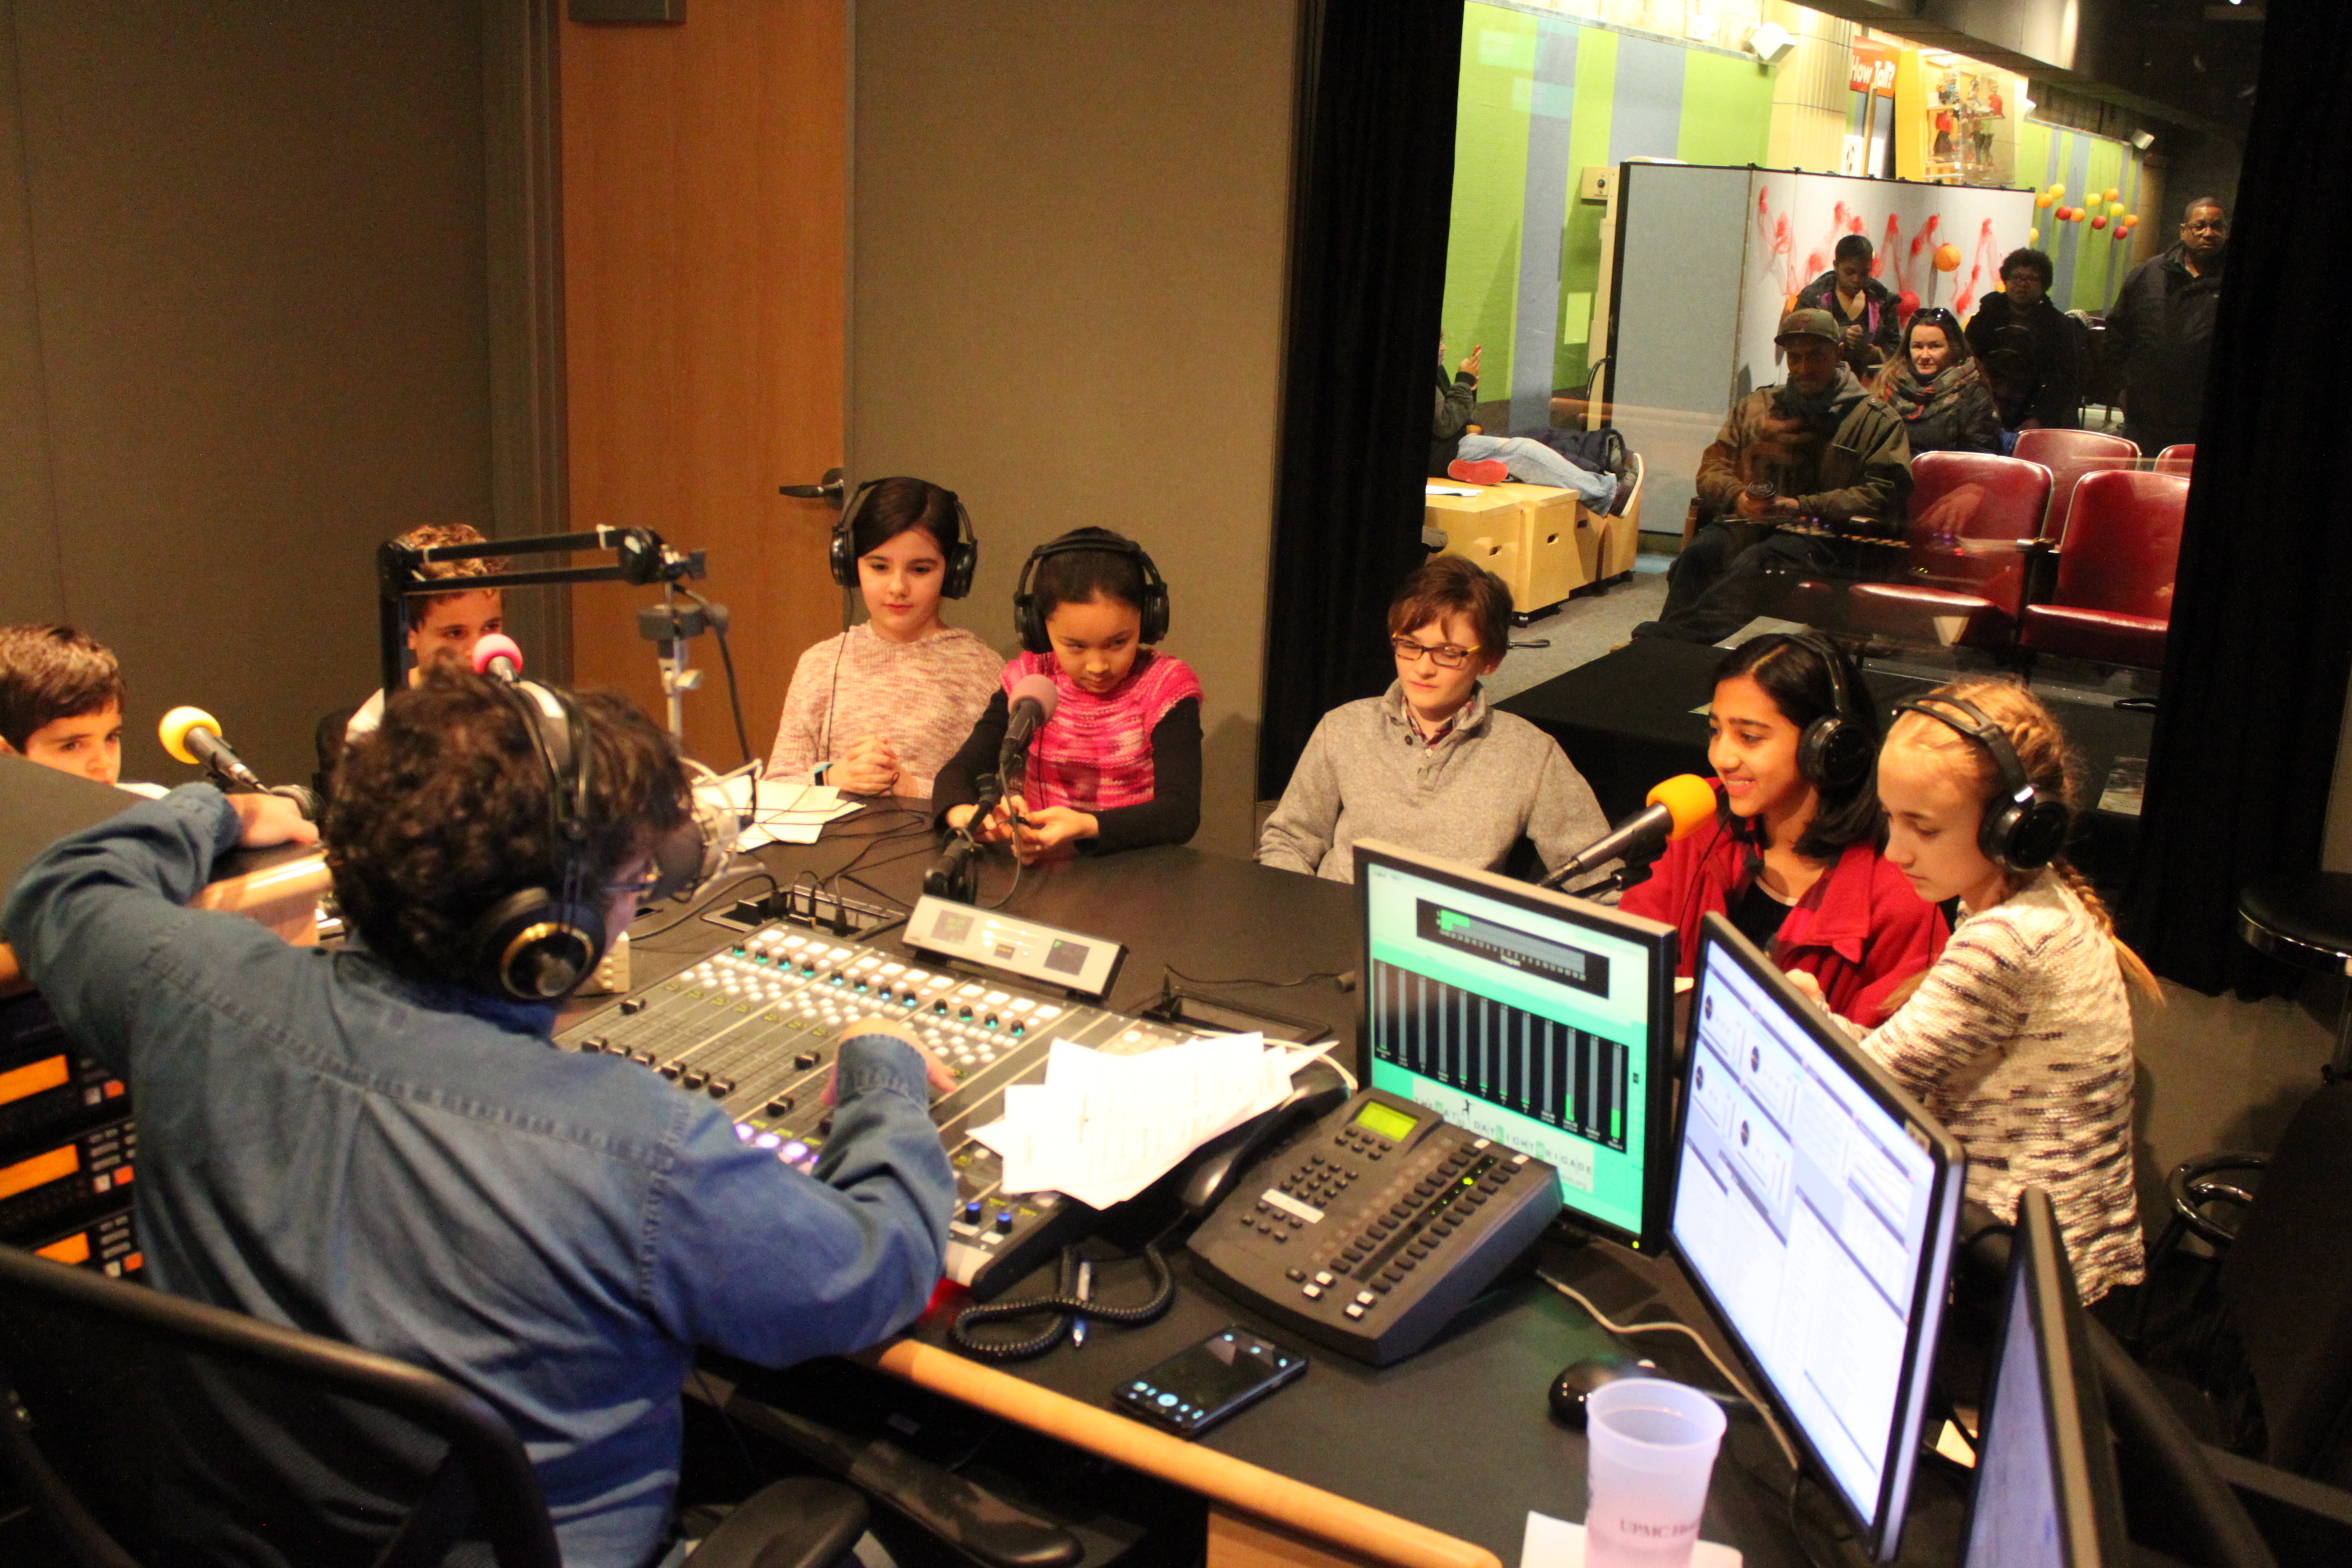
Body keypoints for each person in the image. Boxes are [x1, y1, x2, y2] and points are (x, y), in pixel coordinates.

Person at [2, 670, 958, 1567]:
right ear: (545, 937)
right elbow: (873, 1272)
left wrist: (220, 805)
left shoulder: (188, 990)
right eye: (627, 888)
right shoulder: (636, 1149)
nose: (629, 910)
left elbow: (62, 888)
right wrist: (883, 1076)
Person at [1817, 678, 2150, 1303]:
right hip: (2036, 1255)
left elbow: (1861, 1085)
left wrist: (1808, 1015)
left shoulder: (2008, 940)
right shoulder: (2028, 901)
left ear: (2013, 826)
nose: (1895, 850)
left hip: (2016, 1281)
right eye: (1891, 819)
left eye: (1924, 828)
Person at [1621, 633, 1946, 1026]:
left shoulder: (1900, 891)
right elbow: (1634, 943)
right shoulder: (1701, 817)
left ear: (1827, 746)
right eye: (1715, 730)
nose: (1721, 757)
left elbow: (1890, 1059)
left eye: (1750, 737)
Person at [1257, 556, 1609, 884]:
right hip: (1340, 924)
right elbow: (1289, 840)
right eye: (1409, 645)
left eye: (1448, 653)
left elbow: (1598, 875)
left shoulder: (1530, 753)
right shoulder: (1343, 728)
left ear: (1490, 660)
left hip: (1452, 937)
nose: (1422, 668)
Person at [1636, 309, 1912, 644]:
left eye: (1816, 356)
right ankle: (1672, 649)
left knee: (1762, 561)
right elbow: (1712, 468)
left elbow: (1884, 494)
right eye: (1794, 358)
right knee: (1700, 553)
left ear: (1839, 354)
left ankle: (1673, 644)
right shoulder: (1756, 407)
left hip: (1827, 538)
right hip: (1754, 525)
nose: (1804, 368)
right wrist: (1739, 497)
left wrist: (1801, 505)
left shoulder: (1876, 420)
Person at [936, 528, 1202, 861]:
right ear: (1037, 628)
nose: (1097, 665)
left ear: (1147, 621)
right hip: (1043, 878)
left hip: (1136, 878)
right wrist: (966, 814)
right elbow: (957, 773)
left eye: (1118, 642)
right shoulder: (1029, 680)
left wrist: (1088, 826)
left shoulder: (1165, 687)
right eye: (1075, 646)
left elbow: (1180, 813)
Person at [766, 477, 1001, 798]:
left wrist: (915, 789)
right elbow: (776, 786)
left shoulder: (981, 671)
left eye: (919, 570)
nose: (897, 587)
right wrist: (830, 778)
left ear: (953, 571)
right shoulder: (819, 664)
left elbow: (1010, 798)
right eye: (879, 566)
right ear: (850, 565)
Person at [1431, 339, 1621, 512]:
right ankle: (1606, 493)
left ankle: (1602, 466)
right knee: (1522, 450)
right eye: (1439, 341)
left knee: (1538, 438)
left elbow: (1456, 416)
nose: (1444, 346)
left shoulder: (1438, 369)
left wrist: (1469, 388)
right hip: (1443, 451)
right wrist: (1463, 381)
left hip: (1453, 443)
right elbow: (1446, 425)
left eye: (1443, 340)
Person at [2106, 196, 2227, 455]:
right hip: (2146, 411)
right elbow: (2117, 333)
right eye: (2200, 225)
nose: (2209, 233)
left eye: (2217, 226)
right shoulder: (2148, 274)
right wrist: (2119, 386)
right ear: (2183, 230)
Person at [1963, 247, 2083, 432]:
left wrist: (2039, 418)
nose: (2022, 284)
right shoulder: (1986, 317)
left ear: (2043, 284)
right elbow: (1967, 361)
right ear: (2006, 280)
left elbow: (2064, 380)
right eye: (2016, 277)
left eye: (2031, 279)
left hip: (2032, 416)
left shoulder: (2058, 325)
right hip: (1983, 409)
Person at [0, 623, 127, 787]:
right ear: (6, 756)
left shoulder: (150, 804)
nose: (104, 764)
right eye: (71, 746)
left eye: (111, 738)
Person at [1870, 307, 2001, 458]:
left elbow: (1977, 461)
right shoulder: (1887, 384)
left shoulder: (1973, 395)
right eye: (1918, 346)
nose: (1924, 355)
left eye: (1935, 346)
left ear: (1953, 348)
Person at [1796, 234, 1902, 379]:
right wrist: (1839, 334)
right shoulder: (1813, 297)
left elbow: (1898, 353)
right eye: (1849, 272)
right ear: (1835, 265)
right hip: (1818, 383)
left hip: (1871, 387)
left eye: (1864, 273)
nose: (1856, 279)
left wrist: (1872, 352)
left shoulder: (1883, 300)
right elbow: (1796, 341)